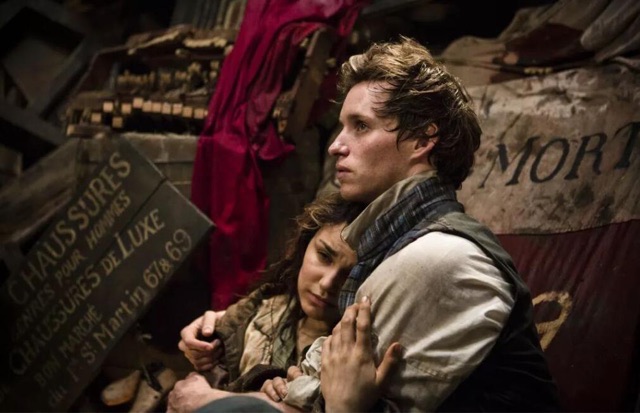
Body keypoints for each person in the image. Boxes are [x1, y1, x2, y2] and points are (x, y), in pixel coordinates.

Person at [271, 36, 560, 412]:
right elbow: (312, 380)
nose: (336, 145)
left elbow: (314, 399)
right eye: (342, 127)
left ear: (422, 140)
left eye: (361, 126)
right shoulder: (394, 246)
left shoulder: (439, 257)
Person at [167, 193, 362, 412]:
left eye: (350, 274)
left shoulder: (353, 358)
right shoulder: (261, 312)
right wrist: (207, 342)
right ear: (305, 245)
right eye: (324, 256)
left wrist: (212, 398)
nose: (327, 283)